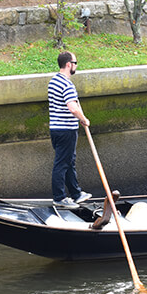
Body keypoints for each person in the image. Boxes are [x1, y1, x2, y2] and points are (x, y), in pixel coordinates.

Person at [48, 51, 92, 208]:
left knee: (68, 162)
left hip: (56, 129)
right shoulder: (67, 85)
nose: (76, 66)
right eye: (75, 63)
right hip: (66, 130)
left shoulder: (53, 81)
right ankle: (59, 197)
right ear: (69, 64)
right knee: (62, 163)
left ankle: (76, 193)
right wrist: (83, 119)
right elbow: (72, 107)